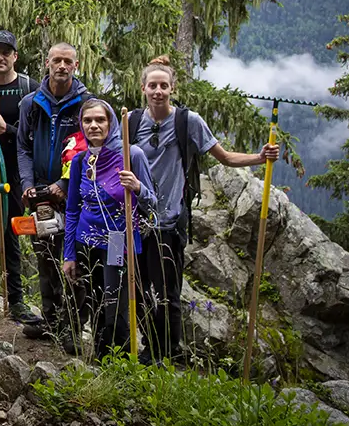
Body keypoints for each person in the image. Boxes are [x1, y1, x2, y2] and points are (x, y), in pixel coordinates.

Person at [128, 55, 280, 364]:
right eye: (153, 85)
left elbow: (223, 157)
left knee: (167, 289)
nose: (158, 91)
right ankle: (148, 346)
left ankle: (166, 351)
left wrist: (259, 157)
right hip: (134, 217)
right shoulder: (130, 122)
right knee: (139, 284)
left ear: (172, 88)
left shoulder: (188, 122)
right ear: (143, 87)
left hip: (169, 218)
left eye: (164, 86)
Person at [62, 99, 157, 358]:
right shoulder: (80, 161)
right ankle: (101, 359)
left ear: (111, 122)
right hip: (86, 239)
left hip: (117, 239)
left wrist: (137, 187)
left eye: (100, 120)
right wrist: (69, 254)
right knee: (95, 304)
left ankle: (120, 362)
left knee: (114, 304)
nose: (93, 126)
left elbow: (152, 202)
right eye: (88, 121)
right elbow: (72, 209)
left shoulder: (130, 155)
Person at [16, 42, 92, 341]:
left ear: (76, 65)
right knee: (45, 257)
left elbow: (88, 149)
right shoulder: (30, 104)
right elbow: (22, 146)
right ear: (47, 63)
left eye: (67, 62)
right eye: (56, 60)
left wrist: (65, 184)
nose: (62, 66)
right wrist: (26, 184)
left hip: (76, 196)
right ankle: (51, 319)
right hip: (40, 194)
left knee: (77, 259)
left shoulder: (86, 104)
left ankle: (74, 325)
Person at [0, 31, 42, 324]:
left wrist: (8, 130)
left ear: (15, 56)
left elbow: (37, 137)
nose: (0, 57)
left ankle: (16, 301)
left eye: (7, 52)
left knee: (10, 238)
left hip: (14, 174)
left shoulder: (29, 88)